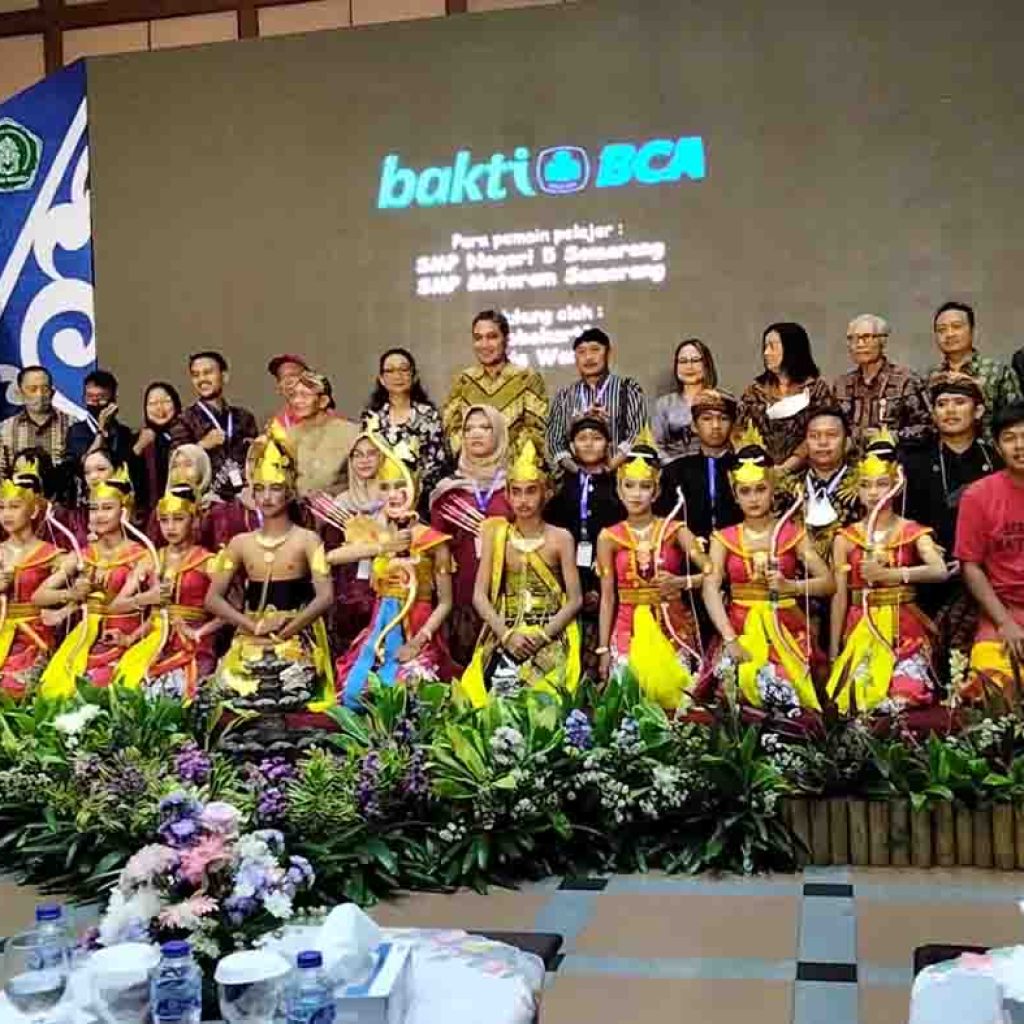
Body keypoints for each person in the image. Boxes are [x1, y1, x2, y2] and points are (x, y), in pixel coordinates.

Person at [699, 425, 833, 712]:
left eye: (760, 489)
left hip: (786, 627)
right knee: (736, 691)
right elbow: (710, 589)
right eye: (745, 491)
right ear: (735, 495)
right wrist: (729, 638)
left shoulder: (792, 533)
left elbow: (828, 582)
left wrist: (791, 587)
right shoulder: (723, 538)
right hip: (739, 627)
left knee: (786, 692)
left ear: (773, 489)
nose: (753, 498)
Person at [204, 433, 335, 709]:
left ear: (289, 491)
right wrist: (251, 626)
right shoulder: (240, 543)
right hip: (250, 635)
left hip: (295, 634)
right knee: (231, 686)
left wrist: (288, 630)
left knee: (291, 683)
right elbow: (212, 599)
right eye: (260, 489)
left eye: (275, 488)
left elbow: (325, 597)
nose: (266, 497)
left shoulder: (308, 540)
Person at [827, 433, 948, 714]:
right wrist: (834, 651)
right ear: (856, 490)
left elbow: (940, 570)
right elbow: (839, 597)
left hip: (904, 629)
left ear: (896, 486)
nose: (873, 493)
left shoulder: (912, 531)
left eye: (882, 484)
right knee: (854, 698)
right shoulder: (846, 538)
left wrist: (891, 575)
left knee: (904, 694)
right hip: (862, 627)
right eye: (865, 485)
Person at [331, 437, 454, 707]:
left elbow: (445, 602)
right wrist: (382, 547)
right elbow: (330, 557)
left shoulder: (433, 540)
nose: (394, 494)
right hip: (380, 627)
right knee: (353, 691)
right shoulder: (374, 533)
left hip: (418, 626)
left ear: (415, 487)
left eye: (401, 486)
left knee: (403, 692)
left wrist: (419, 641)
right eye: (386, 487)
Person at [459, 439, 582, 705]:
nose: (523, 500)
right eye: (516, 492)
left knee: (544, 703)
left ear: (546, 493)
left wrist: (543, 636)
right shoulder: (497, 536)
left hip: (549, 635)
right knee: (482, 700)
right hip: (507, 633)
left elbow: (575, 600)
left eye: (531, 491)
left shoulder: (560, 538)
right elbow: (479, 596)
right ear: (507, 495)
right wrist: (506, 635)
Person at [596, 427, 707, 709]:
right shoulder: (609, 537)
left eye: (645, 487)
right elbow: (607, 597)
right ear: (619, 489)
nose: (636, 494)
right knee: (631, 706)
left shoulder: (675, 530)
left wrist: (681, 583)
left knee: (677, 705)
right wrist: (603, 648)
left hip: (672, 627)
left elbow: (713, 572)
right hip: (628, 630)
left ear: (656, 491)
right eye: (629, 485)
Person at [902, 373, 1000, 678]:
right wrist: (929, 550)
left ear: (978, 411)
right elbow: (904, 522)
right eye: (942, 404)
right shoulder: (913, 463)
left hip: (990, 574)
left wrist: (975, 560)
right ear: (933, 414)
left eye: (960, 402)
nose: (950, 410)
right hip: (931, 572)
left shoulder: (996, 460)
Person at [35, 466, 153, 696]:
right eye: (93, 509)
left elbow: (158, 608)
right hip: (85, 638)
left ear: (124, 511)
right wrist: (71, 594)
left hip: (124, 640)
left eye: (107, 508)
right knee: (54, 692)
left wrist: (131, 637)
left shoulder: (142, 556)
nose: (98, 515)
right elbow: (39, 596)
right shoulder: (84, 555)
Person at [111, 482, 221, 699]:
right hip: (153, 643)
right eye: (164, 520)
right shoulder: (151, 558)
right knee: (126, 686)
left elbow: (232, 611)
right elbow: (116, 605)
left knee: (176, 693)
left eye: (178, 519)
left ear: (194, 520)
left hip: (193, 647)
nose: (170, 527)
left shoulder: (209, 562)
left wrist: (199, 632)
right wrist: (146, 599)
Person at [430, 405, 512, 668]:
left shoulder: (518, 485)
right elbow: (436, 545)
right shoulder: (448, 489)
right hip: (460, 590)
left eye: (485, 427)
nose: (475, 434)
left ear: (499, 433)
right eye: (469, 428)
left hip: (507, 590)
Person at [544, 414, 625, 679]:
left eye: (597, 438)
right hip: (568, 579)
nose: (589, 444)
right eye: (582, 438)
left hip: (609, 579)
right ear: (571, 445)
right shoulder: (561, 487)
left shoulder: (619, 486)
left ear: (609, 444)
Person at [955, 402, 1024, 697]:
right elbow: (970, 565)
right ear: (997, 446)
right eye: (1009, 438)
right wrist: (1004, 622)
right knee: (994, 690)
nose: (1019, 446)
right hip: (1002, 613)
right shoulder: (978, 495)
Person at [442, 310, 548, 454]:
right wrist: (475, 458)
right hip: (470, 465)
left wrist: (500, 459)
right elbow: (450, 429)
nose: (484, 344)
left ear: (506, 339)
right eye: (478, 338)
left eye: (492, 337)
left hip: (514, 465)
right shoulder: (463, 380)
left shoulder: (526, 378)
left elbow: (536, 432)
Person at [0, 454, 62, 697]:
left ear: (34, 510)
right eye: (2, 507)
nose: (6, 514)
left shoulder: (52, 555)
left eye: (15, 507)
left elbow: (74, 599)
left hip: (33, 637)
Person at [737, 322, 835, 473]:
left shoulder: (816, 390)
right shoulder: (754, 392)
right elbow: (740, 433)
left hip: (808, 472)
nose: (766, 353)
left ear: (791, 349)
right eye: (765, 347)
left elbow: (825, 431)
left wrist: (789, 465)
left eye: (772, 347)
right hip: (761, 473)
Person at [315, 432, 382, 654]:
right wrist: (376, 547)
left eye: (371, 454)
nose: (364, 461)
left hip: (387, 592)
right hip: (348, 595)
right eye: (357, 455)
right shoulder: (341, 504)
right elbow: (329, 555)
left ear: (383, 457)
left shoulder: (396, 499)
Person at [547, 328, 648, 473]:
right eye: (581, 352)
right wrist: (578, 472)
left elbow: (638, 435)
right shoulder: (564, 396)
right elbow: (555, 442)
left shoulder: (627, 389)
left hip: (619, 476)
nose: (588, 357)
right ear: (575, 359)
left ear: (608, 353)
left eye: (595, 350)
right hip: (575, 478)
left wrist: (609, 468)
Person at [362, 348, 449, 506]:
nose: (397, 376)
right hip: (379, 498)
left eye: (403, 370)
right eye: (390, 371)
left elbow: (437, 463)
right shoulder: (371, 418)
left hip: (420, 499)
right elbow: (365, 459)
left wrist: (412, 491)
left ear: (413, 376)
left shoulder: (428, 416)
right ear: (381, 379)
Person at [775, 406, 860, 564]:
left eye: (831, 435)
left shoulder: (862, 486)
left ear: (846, 441)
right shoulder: (787, 488)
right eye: (814, 436)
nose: (822, 442)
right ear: (805, 443)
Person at [170, 351, 259, 500]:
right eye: (196, 375)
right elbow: (174, 463)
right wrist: (201, 446)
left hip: (246, 500)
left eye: (208, 372)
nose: (202, 379)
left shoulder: (244, 418)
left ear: (224, 376)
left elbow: (256, 462)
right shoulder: (183, 420)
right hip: (205, 502)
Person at [834, 314, 931, 448]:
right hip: (852, 457)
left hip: (896, 456)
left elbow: (928, 427)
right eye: (852, 339)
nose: (859, 344)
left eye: (866, 337)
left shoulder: (906, 380)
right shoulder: (842, 384)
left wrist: (891, 436)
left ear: (882, 341)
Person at [656, 389, 742, 539]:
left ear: (733, 425)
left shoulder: (744, 468)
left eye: (723, 418)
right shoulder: (675, 472)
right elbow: (664, 521)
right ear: (694, 426)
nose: (716, 425)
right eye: (707, 419)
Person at [931, 301, 1022, 438]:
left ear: (972, 330)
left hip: (990, 448)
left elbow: (1017, 417)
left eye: (956, 327)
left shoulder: (997, 371)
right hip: (946, 449)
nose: (949, 334)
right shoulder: (933, 376)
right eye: (941, 330)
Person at [287, 371, 359, 497]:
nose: (297, 401)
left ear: (323, 401)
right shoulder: (290, 435)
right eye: (294, 395)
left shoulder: (350, 432)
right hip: (299, 505)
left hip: (339, 505)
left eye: (305, 395)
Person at [64, 370, 138, 488]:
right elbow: (84, 464)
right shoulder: (76, 431)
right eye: (90, 397)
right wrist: (101, 430)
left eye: (101, 397)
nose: (95, 402)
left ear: (113, 399)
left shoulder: (123, 433)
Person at [652, 338, 719, 464]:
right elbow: (657, 446)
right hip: (672, 469)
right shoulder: (664, 404)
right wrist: (674, 467)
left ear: (706, 364)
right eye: (683, 361)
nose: (689, 367)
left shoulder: (719, 400)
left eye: (695, 360)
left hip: (711, 467)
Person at [0, 366, 73, 480]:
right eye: (32, 389)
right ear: (20, 393)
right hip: (18, 489)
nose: (40, 394)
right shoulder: (4, 429)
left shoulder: (72, 424)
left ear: (52, 393)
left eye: (45, 389)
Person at [133, 382, 183, 516]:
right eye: (153, 403)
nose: (160, 408)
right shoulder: (136, 439)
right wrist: (138, 447)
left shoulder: (187, 435)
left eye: (166, 401)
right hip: (148, 516)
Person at [266, 353, 308, 433]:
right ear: (279, 389)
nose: (288, 381)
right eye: (283, 377)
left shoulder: (326, 418)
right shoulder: (276, 424)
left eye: (293, 375)